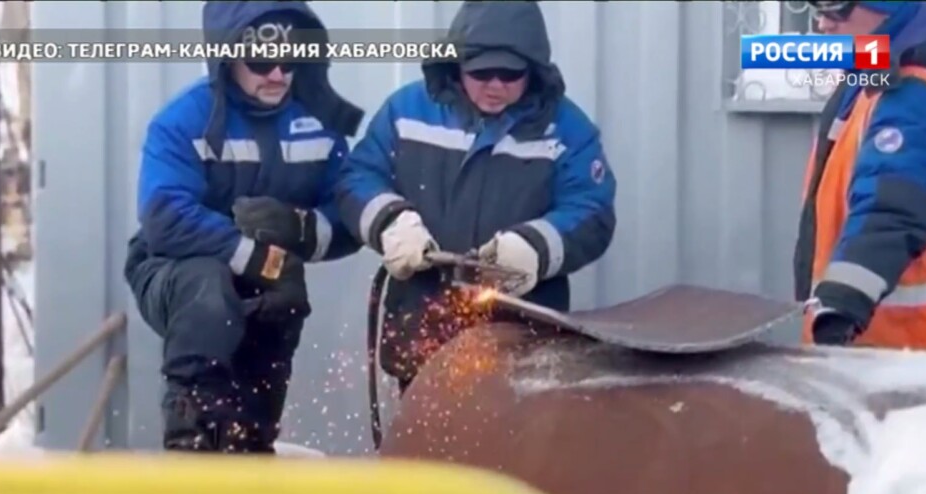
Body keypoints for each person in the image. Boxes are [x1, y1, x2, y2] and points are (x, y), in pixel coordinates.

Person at [336, 0, 617, 391]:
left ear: (533, 70)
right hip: (423, 323)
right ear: (457, 66)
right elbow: (357, 177)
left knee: (515, 449)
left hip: (523, 336)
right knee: (427, 447)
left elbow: (593, 209)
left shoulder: (566, 130)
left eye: (510, 73)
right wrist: (390, 222)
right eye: (482, 72)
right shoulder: (407, 111)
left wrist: (535, 247)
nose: (496, 85)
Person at [124, 0, 364, 453]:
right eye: (260, 61)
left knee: (284, 301)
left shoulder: (319, 126)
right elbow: (163, 218)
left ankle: (251, 442)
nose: (276, 74)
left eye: (288, 60)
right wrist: (263, 258)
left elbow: (348, 213)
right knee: (209, 288)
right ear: (227, 57)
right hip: (171, 271)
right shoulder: (182, 121)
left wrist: (301, 229)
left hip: (269, 279)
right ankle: (192, 440)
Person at [796, 0, 926, 350]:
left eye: (836, 7)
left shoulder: (912, 93)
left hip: (901, 348)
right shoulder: (899, 59)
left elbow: (891, 210)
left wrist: (841, 305)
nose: (823, 25)